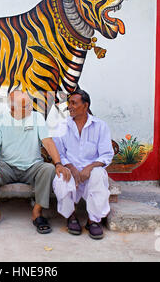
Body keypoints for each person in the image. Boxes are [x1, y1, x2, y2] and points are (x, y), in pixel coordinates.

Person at [0, 90, 71, 234]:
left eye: (30, 104)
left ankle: (37, 213)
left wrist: (58, 163)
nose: (30, 107)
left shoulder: (37, 118)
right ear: (13, 108)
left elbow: (48, 142)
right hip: (7, 167)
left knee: (48, 169)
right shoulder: (2, 120)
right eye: (25, 106)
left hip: (33, 167)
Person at [52, 89, 114, 240]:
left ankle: (93, 221)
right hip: (70, 168)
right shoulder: (62, 126)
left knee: (99, 175)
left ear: (85, 106)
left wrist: (90, 167)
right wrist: (71, 168)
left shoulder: (100, 126)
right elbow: (59, 153)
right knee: (61, 179)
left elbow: (106, 154)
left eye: (74, 103)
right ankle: (71, 216)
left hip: (91, 171)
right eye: (69, 103)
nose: (70, 106)